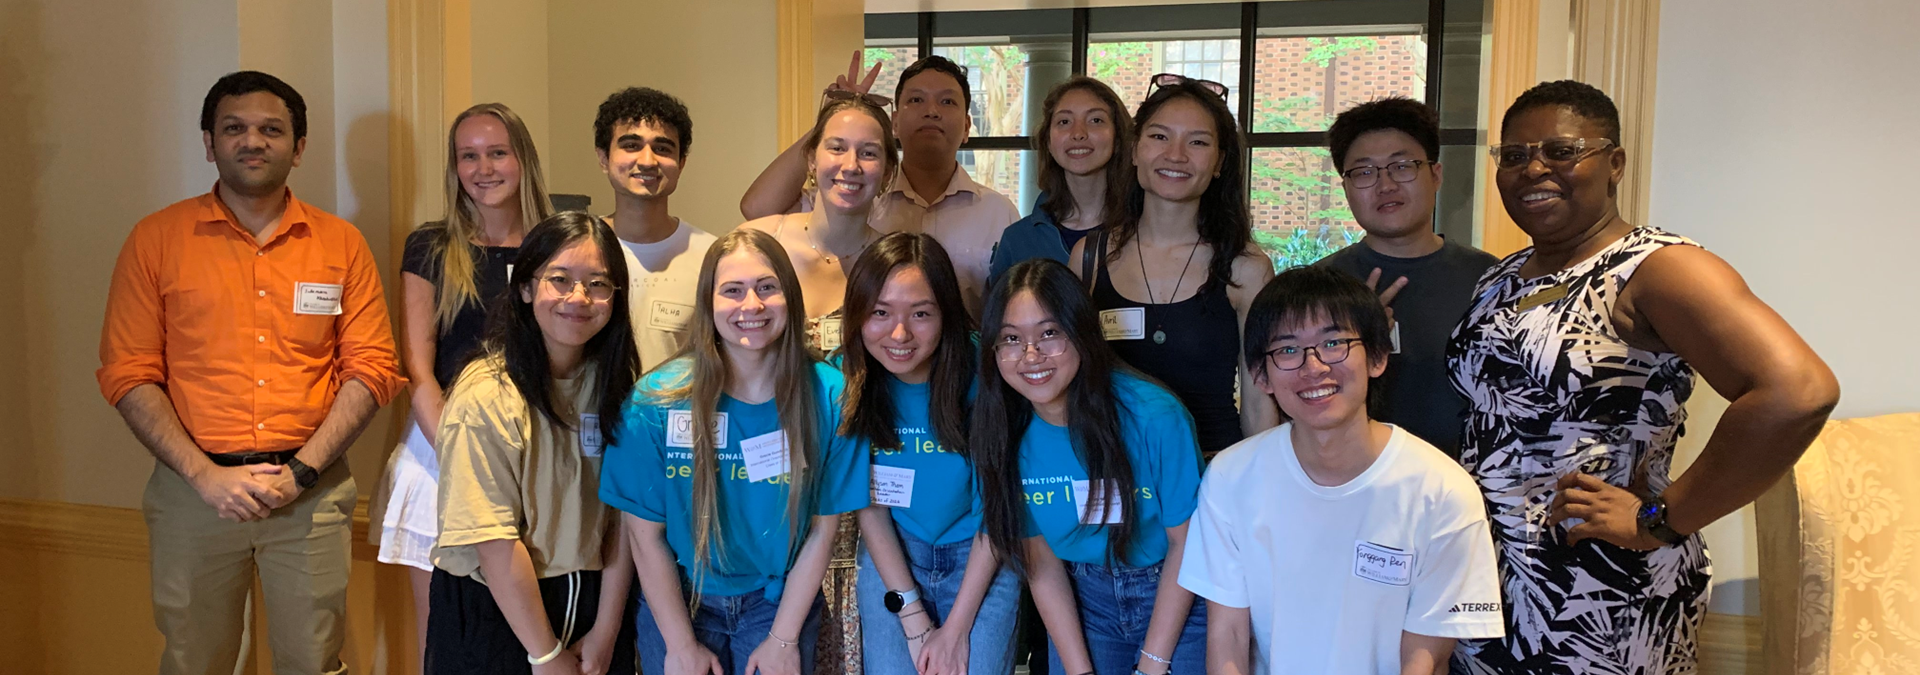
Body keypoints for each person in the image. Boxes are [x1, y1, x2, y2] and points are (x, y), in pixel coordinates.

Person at [1448, 80, 1840, 673]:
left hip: (1601, 588)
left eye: (1560, 151)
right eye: (1514, 155)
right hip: (1494, 582)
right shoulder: (1500, 278)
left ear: (1615, 164)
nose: (1533, 169)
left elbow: (1798, 392)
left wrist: (1661, 518)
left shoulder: (1658, 268)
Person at [97, 70, 404, 675]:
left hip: (310, 496)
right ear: (209, 142)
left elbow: (372, 368)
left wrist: (301, 472)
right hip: (193, 496)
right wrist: (206, 476)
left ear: (299, 146)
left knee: (314, 661)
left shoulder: (341, 244)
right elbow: (129, 373)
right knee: (194, 661)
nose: (253, 141)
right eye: (234, 128)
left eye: (271, 129)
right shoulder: (155, 240)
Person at [1178, 267, 1503, 675]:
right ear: (1260, 375)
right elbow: (1228, 637)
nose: (1313, 367)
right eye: (1288, 350)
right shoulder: (1230, 478)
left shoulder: (1442, 490)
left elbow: (1426, 658)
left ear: (1378, 357)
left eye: (1334, 343)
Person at [600, 229, 870, 675]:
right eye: (732, 291)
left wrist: (783, 639)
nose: (752, 305)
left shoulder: (830, 397)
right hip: (680, 602)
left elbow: (824, 532)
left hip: (779, 605)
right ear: (708, 303)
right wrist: (681, 645)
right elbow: (644, 539)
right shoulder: (655, 403)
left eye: (767, 287)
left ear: (790, 297)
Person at [368, 102, 553, 664]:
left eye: (498, 152)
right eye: (467, 156)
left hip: (540, 451)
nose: (483, 167)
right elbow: (418, 368)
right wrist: (461, 448)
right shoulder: (430, 246)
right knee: (447, 637)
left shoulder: (553, 244)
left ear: (522, 160)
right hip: (443, 452)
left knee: (534, 627)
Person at [425, 212, 639, 675]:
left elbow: (625, 519)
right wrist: (544, 655)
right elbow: (495, 541)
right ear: (525, 288)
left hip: (595, 605)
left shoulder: (618, 387)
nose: (578, 298)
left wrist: (605, 633)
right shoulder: (485, 394)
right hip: (502, 607)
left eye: (598, 284)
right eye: (559, 279)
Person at [975, 259, 1207, 675]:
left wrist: (1151, 666)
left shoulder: (1154, 415)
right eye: (1011, 339)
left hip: (1177, 594)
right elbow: (1041, 563)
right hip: (1085, 596)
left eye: (1049, 334)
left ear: (1081, 333)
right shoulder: (1004, 430)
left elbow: (1186, 544)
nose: (1031, 356)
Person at [842, 233, 1021, 675]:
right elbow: (870, 507)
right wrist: (913, 616)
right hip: (894, 552)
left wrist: (956, 629)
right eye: (880, 313)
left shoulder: (985, 372)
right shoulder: (848, 380)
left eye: (920, 314)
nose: (899, 334)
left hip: (982, 550)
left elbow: (996, 507)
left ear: (945, 313)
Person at [1072, 74, 1278, 458]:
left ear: (1219, 163)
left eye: (1197, 142)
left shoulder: (1246, 268)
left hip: (1213, 469)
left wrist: (1258, 488)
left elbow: (1258, 400)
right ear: (1134, 150)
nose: (1176, 155)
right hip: (1118, 475)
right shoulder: (1088, 258)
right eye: (1159, 137)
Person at [741, 52, 1019, 315]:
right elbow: (757, 208)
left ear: (968, 126)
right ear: (894, 123)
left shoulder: (998, 212)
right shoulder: (854, 195)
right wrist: (834, 118)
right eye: (916, 100)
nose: (932, 111)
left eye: (947, 102)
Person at [1314, 97, 1497, 458]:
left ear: (1436, 175)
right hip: (1350, 485)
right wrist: (1350, 343)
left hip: (1470, 490)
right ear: (1346, 188)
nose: (1385, 185)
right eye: (1364, 172)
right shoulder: (1318, 287)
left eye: (1402, 166)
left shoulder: (1491, 280)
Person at [743, 92, 900, 354]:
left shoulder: (894, 263)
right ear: (812, 159)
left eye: (868, 153)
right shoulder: (759, 243)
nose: (851, 165)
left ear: (887, 172)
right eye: (837, 148)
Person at [593, 87, 720, 372]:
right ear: (603, 158)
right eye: (631, 145)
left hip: (677, 413)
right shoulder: (578, 250)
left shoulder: (711, 255)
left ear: (681, 163)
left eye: (662, 148)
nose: (647, 160)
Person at [988, 76, 1133, 289]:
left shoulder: (1143, 231)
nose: (1078, 134)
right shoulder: (1017, 240)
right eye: (1064, 122)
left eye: (1095, 120)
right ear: (1048, 141)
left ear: (1118, 138)